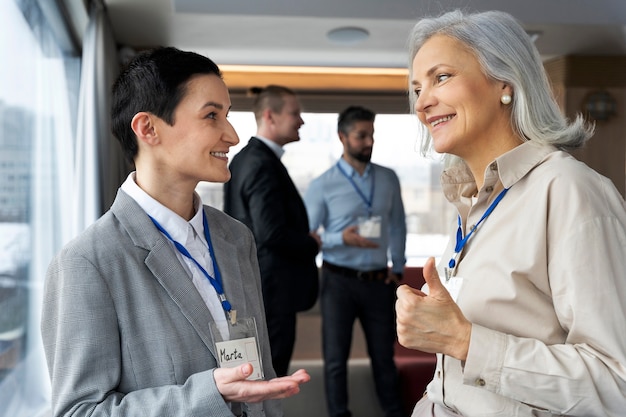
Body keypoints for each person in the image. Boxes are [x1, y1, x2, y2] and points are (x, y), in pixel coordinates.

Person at [40, 47, 310, 417]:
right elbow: (79, 412)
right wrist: (209, 393)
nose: (231, 135)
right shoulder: (87, 262)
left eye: (227, 115)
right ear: (148, 128)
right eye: (212, 115)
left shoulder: (235, 238)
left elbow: (260, 381)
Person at [395, 9, 626, 417]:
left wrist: (466, 341)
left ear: (506, 82)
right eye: (417, 88)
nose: (422, 102)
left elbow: (616, 385)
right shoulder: (471, 203)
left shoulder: (571, 191)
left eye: (441, 77)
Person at [304, 105, 407, 417]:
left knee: (383, 359)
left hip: (379, 282)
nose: (369, 142)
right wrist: (339, 239)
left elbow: (398, 225)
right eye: (361, 135)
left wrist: (398, 268)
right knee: (335, 360)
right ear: (342, 137)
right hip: (338, 283)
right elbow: (308, 236)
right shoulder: (322, 184)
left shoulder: (388, 179)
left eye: (372, 135)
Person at [223, 85, 321, 377]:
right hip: (271, 292)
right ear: (270, 116)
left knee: (256, 377)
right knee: (269, 378)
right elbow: (271, 234)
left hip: (257, 286)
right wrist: (311, 242)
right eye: (294, 113)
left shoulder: (245, 159)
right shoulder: (261, 164)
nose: (301, 121)